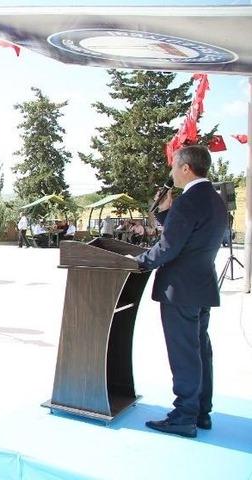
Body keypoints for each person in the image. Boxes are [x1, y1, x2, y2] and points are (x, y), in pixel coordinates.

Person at [135, 145, 227, 438]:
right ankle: (201, 411)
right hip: (200, 287)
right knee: (200, 350)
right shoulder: (214, 199)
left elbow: (168, 248)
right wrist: (165, 214)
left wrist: (135, 262)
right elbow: (188, 236)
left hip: (181, 290)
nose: (171, 172)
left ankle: (183, 416)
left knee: (185, 353)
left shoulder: (189, 202)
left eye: (174, 166)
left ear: (186, 168)